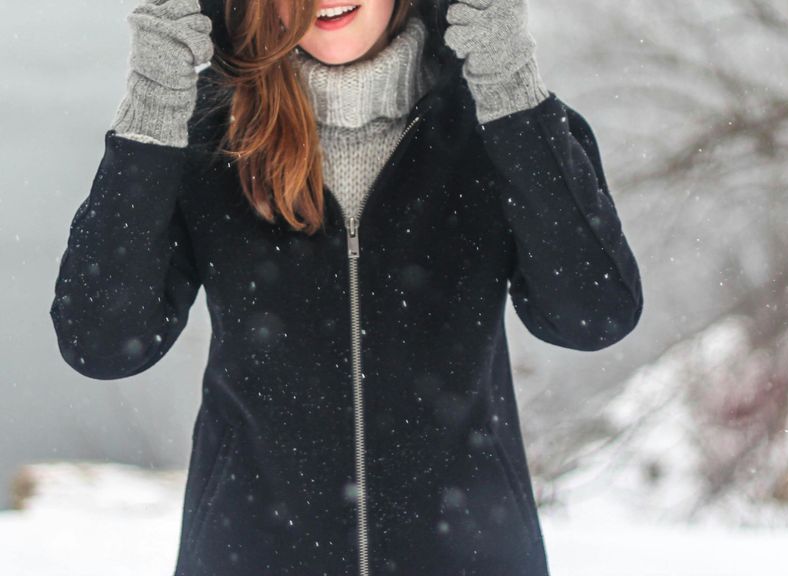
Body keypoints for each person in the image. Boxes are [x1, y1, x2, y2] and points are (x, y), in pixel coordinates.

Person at [48, 0, 644, 574]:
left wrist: (510, 85)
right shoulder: (209, 137)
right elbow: (101, 341)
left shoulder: (500, 123)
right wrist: (155, 105)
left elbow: (593, 316)